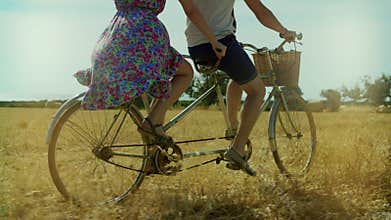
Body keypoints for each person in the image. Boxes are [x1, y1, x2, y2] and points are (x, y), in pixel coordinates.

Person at [74, 0, 226, 143]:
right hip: (145, 36)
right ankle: (153, 122)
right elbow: (191, 10)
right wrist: (214, 41)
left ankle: (153, 144)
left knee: (156, 76)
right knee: (186, 73)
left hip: (116, 33)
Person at [186, 0, 296, 176]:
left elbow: (192, 11)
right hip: (221, 42)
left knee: (239, 78)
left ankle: (233, 129)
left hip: (195, 46)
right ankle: (237, 148)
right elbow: (260, 11)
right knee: (257, 91)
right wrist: (284, 32)